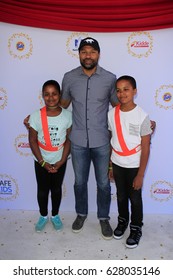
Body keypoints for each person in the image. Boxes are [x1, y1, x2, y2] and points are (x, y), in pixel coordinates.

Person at [60, 37, 118, 240]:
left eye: (92, 51)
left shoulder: (110, 79)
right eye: (84, 51)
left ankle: (103, 218)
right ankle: (81, 214)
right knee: (79, 182)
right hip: (77, 141)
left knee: (103, 184)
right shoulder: (69, 77)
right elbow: (61, 106)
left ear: (98, 54)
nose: (88, 55)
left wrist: (143, 120)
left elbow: (119, 108)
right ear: (79, 54)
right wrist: (36, 118)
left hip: (102, 140)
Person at [108, 75, 152, 248]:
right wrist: (111, 165)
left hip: (134, 166)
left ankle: (136, 228)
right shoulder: (111, 114)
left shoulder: (142, 116)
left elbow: (146, 147)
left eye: (126, 89)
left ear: (135, 91)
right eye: (118, 90)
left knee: (135, 199)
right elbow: (114, 139)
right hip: (118, 163)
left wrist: (140, 174)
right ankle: (122, 221)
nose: (122, 93)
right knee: (120, 196)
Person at [28, 80, 72, 232]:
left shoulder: (68, 116)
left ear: (59, 95)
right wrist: (42, 162)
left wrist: (62, 160)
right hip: (41, 160)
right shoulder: (35, 116)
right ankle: (42, 215)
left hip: (60, 159)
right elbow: (32, 140)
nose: (51, 97)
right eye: (47, 94)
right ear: (42, 96)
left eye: (54, 94)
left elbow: (68, 140)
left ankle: (55, 215)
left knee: (56, 189)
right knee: (42, 189)